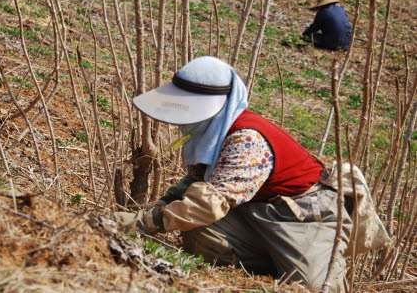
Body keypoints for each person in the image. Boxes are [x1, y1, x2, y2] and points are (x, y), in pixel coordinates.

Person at [114, 56, 352, 292]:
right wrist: (163, 204)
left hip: (303, 216)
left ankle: (299, 260)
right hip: (254, 209)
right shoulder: (213, 131)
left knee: (312, 287)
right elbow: (200, 181)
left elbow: (210, 204)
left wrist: (142, 223)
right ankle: (269, 264)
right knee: (199, 229)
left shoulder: (247, 138)